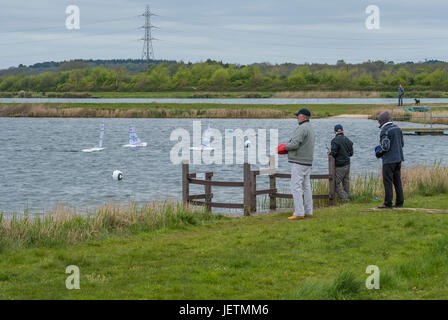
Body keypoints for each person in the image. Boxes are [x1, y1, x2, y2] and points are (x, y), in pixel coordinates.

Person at [284, 108, 316, 220]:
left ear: (304, 117)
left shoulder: (301, 128)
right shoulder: (310, 128)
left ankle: (299, 213)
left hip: (299, 161)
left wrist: (284, 147)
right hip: (308, 161)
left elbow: (294, 144)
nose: (297, 117)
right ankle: (308, 211)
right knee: (306, 187)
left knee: (295, 186)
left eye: (298, 115)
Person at [375, 111, 405, 209]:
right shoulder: (398, 128)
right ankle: (400, 202)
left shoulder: (385, 131)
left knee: (387, 182)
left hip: (389, 161)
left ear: (382, 121)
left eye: (379, 120)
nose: (378, 122)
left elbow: (385, 147)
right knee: (397, 181)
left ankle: (388, 203)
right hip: (398, 159)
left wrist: (379, 152)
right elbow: (402, 144)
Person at [328, 124, 353, 201]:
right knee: (346, 182)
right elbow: (351, 154)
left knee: (335, 184)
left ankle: (345, 198)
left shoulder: (334, 141)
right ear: (342, 130)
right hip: (347, 164)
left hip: (340, 165)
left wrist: (330, 153)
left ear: (334, 132)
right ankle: (348, 196)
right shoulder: (348, 140)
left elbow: (334, 153)